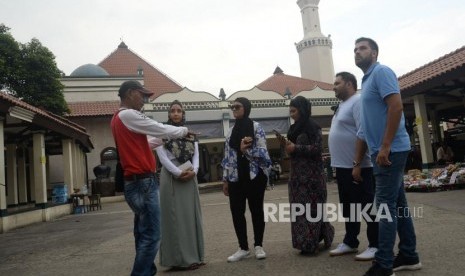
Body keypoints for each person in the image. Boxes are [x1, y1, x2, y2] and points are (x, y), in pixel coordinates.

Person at [353, 37, 422, 276]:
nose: (357, 51)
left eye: (362, 48)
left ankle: (383, 264)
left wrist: (385, 147)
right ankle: (409, 255)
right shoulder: (367, 80)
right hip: (382, 151)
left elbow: (396, 107)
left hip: (390, 151)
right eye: (355, 49)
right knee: (398, 205)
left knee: (384, 207)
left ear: (374, 53)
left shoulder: (381, 72)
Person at [111, 80, 192, 276]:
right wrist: (183, 130)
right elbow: (158, 127)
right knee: (153, 235)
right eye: (142, 95)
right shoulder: (128, 114)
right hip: (142, 182)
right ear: (130, 93)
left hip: (135, 182)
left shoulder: (118, 118)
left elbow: (146, 143)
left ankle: (148, 271)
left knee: (143, 232)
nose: (145, 100)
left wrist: (167, 138)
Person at [328, 72, 378, 261]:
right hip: (342, 167)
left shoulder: (357, 101)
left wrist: (357, 163)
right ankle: (350, 241)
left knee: (367, 206)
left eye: (337, 83)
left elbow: (362, 131)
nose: (334, 86)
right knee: (349, 207)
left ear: (349, 84)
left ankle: (376, 245)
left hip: (359, 166)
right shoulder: (342, 105)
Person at [277, 95, 334, 255]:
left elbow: (317, 149)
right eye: (290, 111)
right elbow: (292, 151)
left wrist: (296, 148)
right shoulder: (292, 129)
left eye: (294, 110)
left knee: (313, 211)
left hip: (312, 178)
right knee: (299, 212)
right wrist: (288, 147)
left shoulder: (313, 127)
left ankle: (312, 243)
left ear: (302, 110)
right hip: (296, 178)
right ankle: (305, 243)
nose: (291, 114)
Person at [155, 100, 205, 271]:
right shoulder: (162, 133)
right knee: (173, 218)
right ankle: (177, 259)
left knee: (191, 217)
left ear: (183, 114)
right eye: (172, 111)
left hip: (190, 175)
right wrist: (177, 173)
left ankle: (195, 256)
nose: (176, 113)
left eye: (179, 111)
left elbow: (196, 156)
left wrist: (194, 171)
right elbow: (162, 157)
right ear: (168, 114)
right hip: (170, 177)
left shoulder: (190, 134)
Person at [222, 97, 272, 262]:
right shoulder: (230, 131)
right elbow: (227, 157)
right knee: (237, 212)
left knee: (256, 211)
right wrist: (225, 180)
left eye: (237, 106)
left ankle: (258, 245)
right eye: (232, 107)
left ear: (246, 108)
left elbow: (264, 153)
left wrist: (246, 151)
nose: (234, 109)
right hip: (235, 178)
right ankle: (243, 247)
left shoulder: (256, 127)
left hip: (254, 177)